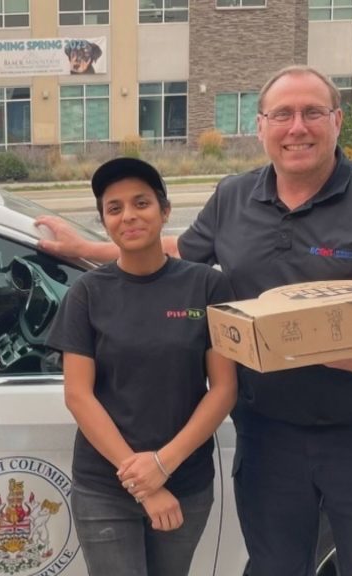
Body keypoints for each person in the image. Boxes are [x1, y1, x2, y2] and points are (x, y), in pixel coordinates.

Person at [37, 65, 352, 576]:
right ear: (261, 126)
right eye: (281, 114)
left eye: (312, 113)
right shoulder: (234, 197)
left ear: (338, 121)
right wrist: (86, 248)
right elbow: (172, 252)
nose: (296, 127)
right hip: (269, 437)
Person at [45, 158, 237, 576]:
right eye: (114, 209)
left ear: (165, 211)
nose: (128, 216)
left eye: (141, 203)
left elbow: (223, 388)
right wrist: (142, 481)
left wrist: (164, 465)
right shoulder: (87, 294)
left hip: (185, 482)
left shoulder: (206, 285)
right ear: (104, 221)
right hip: (105, 486)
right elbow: (78, 395)